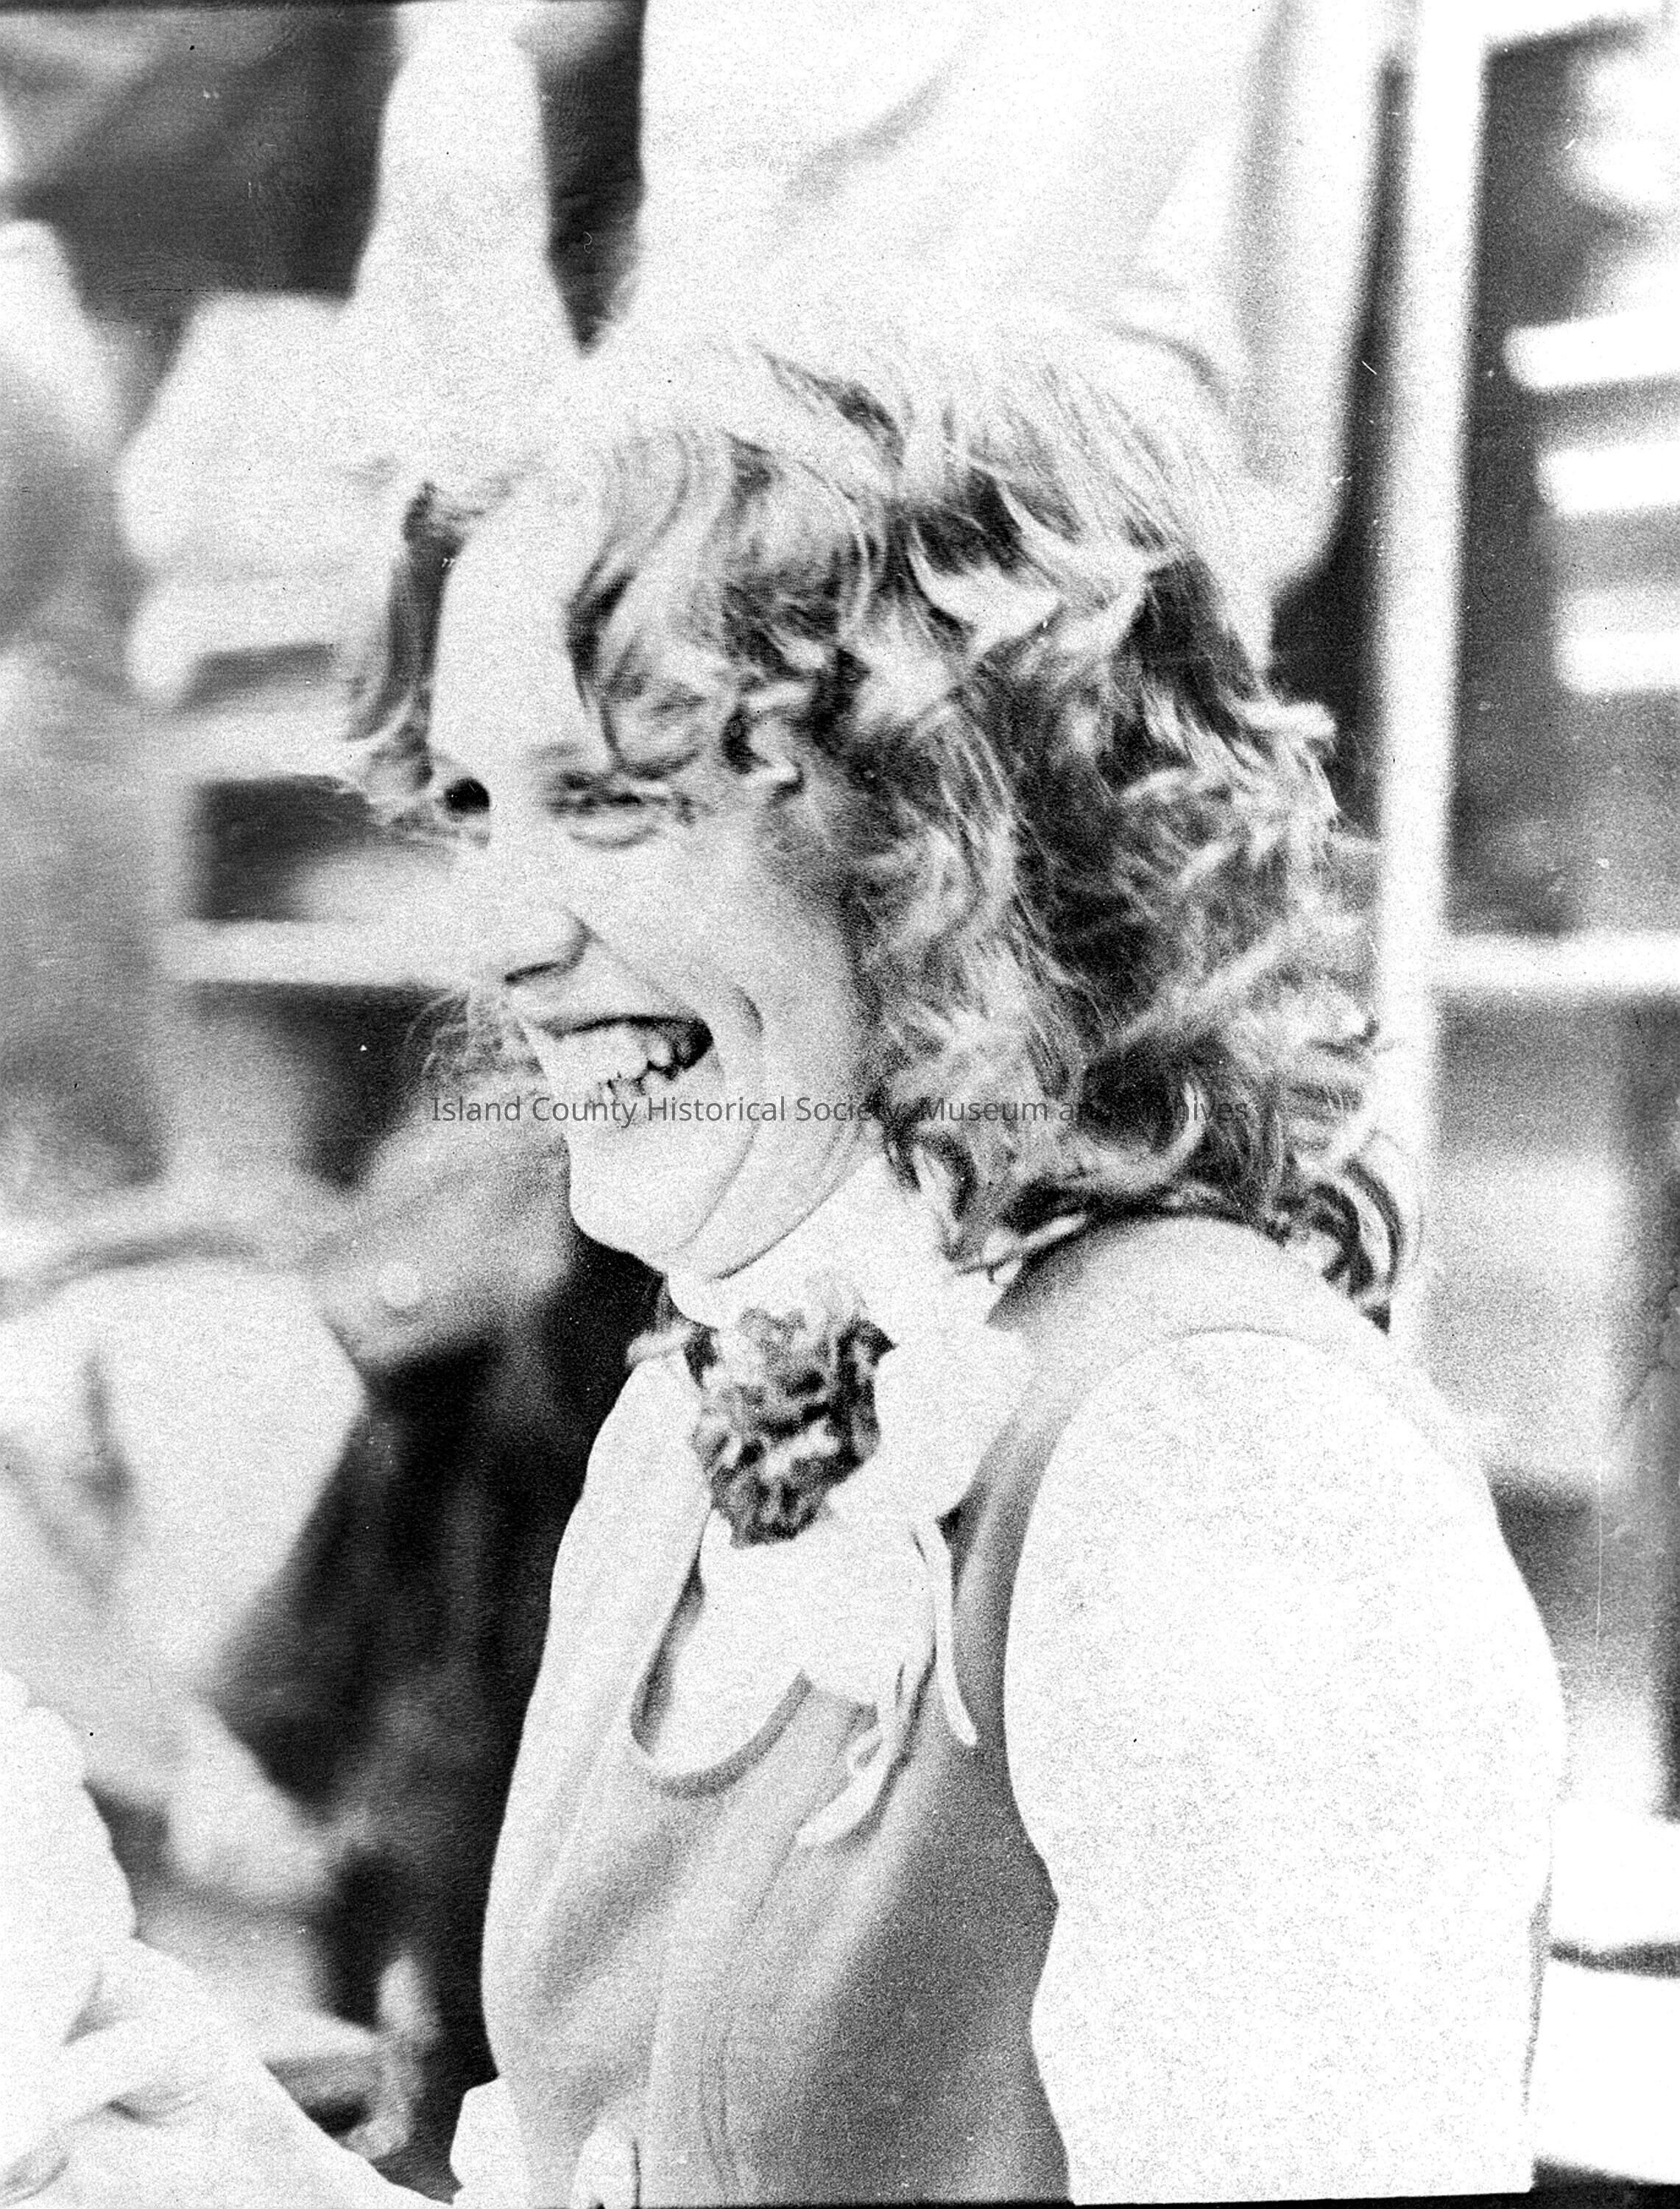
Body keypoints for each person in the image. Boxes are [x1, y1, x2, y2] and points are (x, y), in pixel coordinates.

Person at [13, 301, 1562, 2204]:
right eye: (477, 812)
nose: (498, 940)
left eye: (611, 800)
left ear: (952, 815)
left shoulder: (1226, 1465)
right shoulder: (682, 1419)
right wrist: (249, 2177)